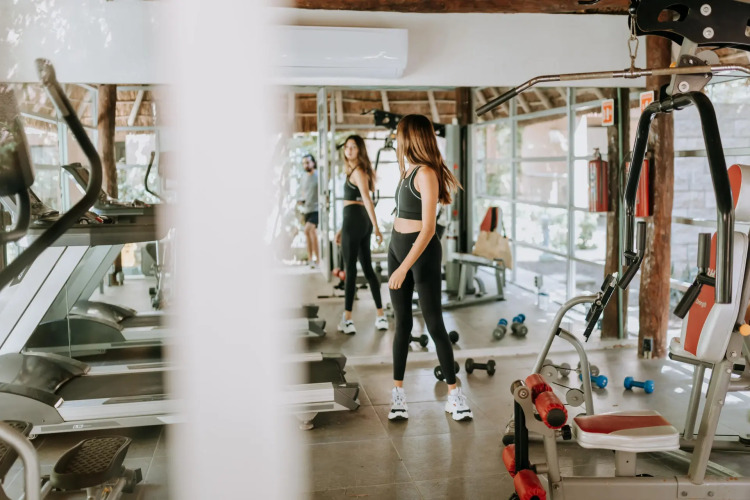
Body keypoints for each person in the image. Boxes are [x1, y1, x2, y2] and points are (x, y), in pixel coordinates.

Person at [387, 114, 472, 422]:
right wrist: (395, 256)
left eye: (400, 134)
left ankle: (454, 395)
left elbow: (428, 229)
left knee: (435, 324)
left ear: (412, 136)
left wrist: (403, 268)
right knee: (402, 324)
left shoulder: (425, 173)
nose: (397, 140)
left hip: (421, 253)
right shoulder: (407, 170)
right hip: (397, 246)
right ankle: (398, 395)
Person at [335, 135, 389, 334]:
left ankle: (348, 320)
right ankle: (381, 316)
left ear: (360, 150)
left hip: (355, 222)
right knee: (367, 270)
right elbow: (356, 203)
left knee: (350, 272)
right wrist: (343, 229)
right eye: (347, 147)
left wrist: (377, 226)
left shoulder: (358, 171)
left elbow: (366, 199)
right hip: (358, 222)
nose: (349, 150)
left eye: (353, 147)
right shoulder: (358, 170)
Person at [298, 154, 319, 267]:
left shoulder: (318, 176)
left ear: (313, 163)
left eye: (307, 162)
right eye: (303, 163)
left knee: (308, 230)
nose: (305, 165)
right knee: (311, 233)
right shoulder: (303, 177)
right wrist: (302, 200)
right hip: (307, 209)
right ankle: (312, 259)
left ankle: (318, 259)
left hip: (317, 209)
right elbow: (303, 192)